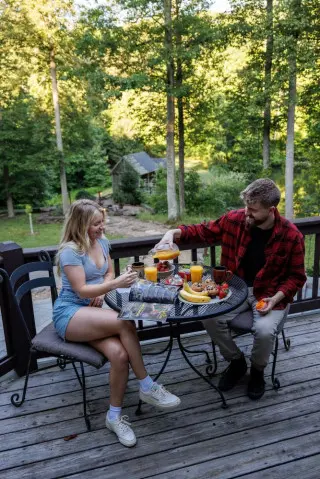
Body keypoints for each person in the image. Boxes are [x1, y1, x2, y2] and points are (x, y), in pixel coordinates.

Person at [156, 179, 306, 400]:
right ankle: (236, 362)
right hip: (233, 288)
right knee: (208, 316)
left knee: (264, 331)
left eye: (253, 210)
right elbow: (202, 231)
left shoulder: (291, 236)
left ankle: (257, 371)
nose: (247, 213)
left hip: (270, 293)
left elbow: (296, 277)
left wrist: (275, 299)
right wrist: (172, 233)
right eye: (246, 206)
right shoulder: (235, 220)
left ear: (271, 209)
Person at [53, 199, 180, 447]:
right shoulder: (70, 251)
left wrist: (104, 288)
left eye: (102, 222)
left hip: (94, 313)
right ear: (80, 225)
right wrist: (113, 284)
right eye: (95, 224)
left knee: (120, 356)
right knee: (125, 321)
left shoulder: (102, 242)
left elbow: (108, 272)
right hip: (70, 314)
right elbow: (80, 290)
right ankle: (147, 385)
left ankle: (114, 417)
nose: (102, 227)